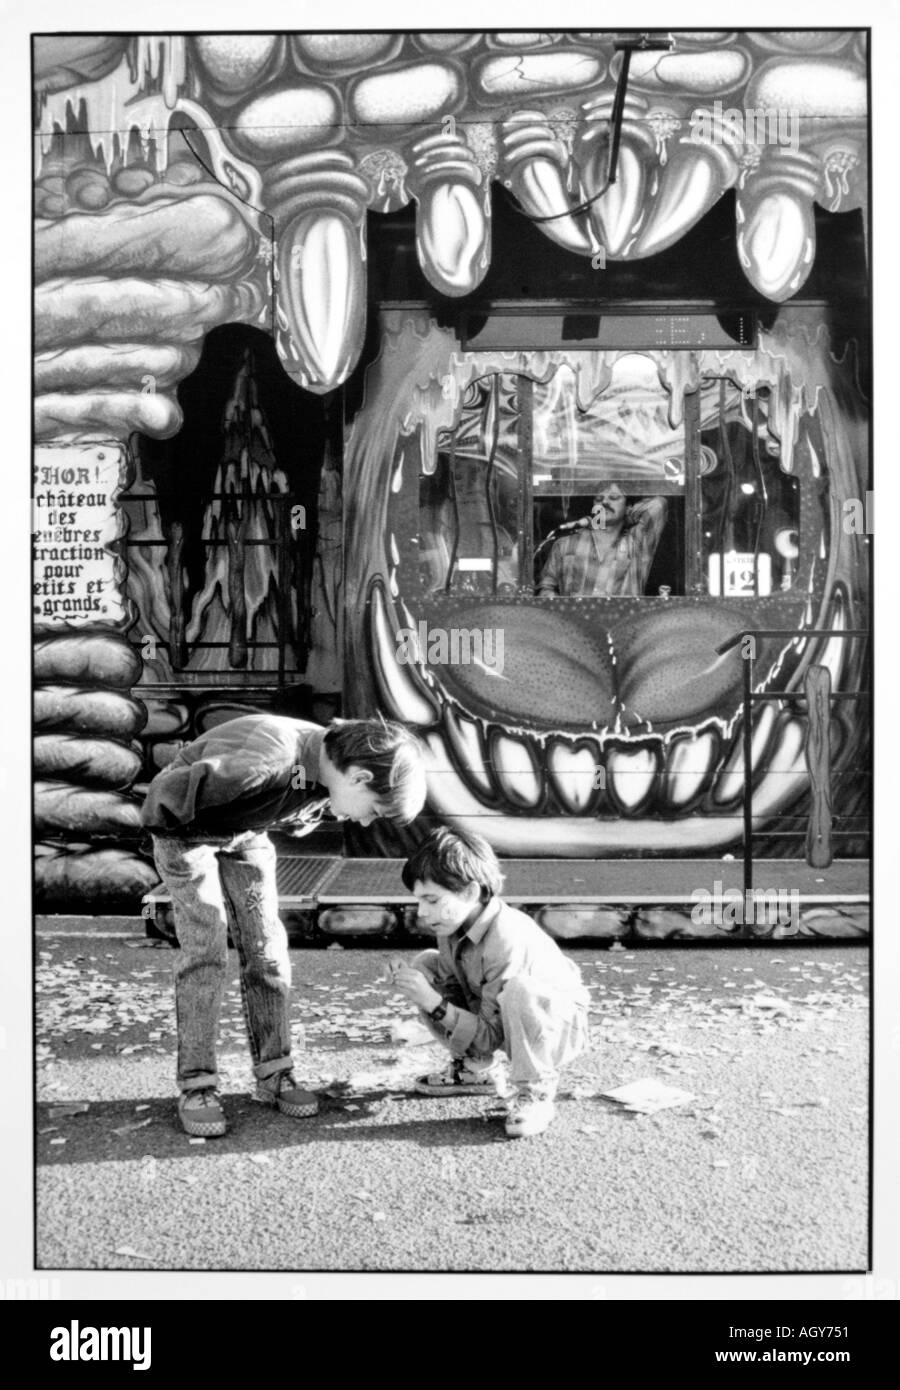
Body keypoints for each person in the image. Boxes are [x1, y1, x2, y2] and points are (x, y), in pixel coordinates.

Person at [141, 714, 427, 1137]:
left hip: (246, 834)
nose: (367, 822)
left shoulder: (323, 770)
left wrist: (293, 815)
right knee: (207, 949)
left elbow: (289, 796)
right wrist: (163, 834)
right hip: (186, 834)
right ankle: (197, 1084)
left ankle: (274, 1073)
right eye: (374, 811)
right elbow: (167, 795)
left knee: (268, 950)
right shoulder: (266, 758)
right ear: (360, 778)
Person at [390, 827, 591, 1138]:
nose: (421, 911)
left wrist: (430, 1000)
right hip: (500, 1014)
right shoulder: (450, 922)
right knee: (425, 966)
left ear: (470, 892)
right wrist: (419, 984)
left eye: (431, 899)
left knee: (520, 991)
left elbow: (490, 1033)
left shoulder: (507, 938)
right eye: (419, 900)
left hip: (555, 1029)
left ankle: (536, 1091)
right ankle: (475, 1070)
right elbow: (465, 1001)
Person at [537, 482, 668, 597]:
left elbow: (658, 505)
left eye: (614, 498)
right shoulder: (564, 545)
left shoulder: (637, 541)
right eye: (598, 499)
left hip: (626, 624)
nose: (605, 502)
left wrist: (624, 518)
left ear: (628, 506)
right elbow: (545, 589)